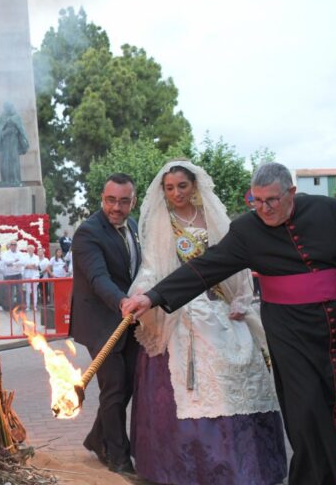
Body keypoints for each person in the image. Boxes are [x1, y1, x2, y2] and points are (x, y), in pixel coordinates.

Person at [123, 162, 336, 485]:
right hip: (289, 334)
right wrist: (153, 297)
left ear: (292, 193)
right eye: (256, 201)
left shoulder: (327, 210)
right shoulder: (247, 230)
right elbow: (205, 268)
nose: (264, 209)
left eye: (272, 200)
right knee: (307, 411)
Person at [129, 161, 287, 484]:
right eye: (170, 188)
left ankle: (247, 464)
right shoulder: (163, 224)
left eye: (182, 186)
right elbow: (152, 267)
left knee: (243, 375)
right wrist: (145, 295)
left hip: (222, 306)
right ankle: (193, 467)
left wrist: (242, 298)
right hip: (181, 308)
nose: (176, 194)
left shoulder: (213, 219)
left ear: (195, 186)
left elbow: (237, 262)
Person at [69, 172, 141, 474]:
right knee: (114, 389)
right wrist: (122, 301)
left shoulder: (134, 227)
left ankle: (98, 439)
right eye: (111, 200)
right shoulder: (87, 232)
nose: (116, 207)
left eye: (124, 201)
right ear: (102, 197)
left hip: (129, 322)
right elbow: (99, 278)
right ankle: (118, 457)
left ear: (132, 202)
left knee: (128, 387)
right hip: (99, 323)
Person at [1, 241, 23, 310]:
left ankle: (19, 307)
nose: (13, 246)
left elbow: (22, 262)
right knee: (9, 292)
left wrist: (12, 264)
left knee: (19, 291)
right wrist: (15, 260)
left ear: (16, 246)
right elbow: (5, 261)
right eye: (12, 244)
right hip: (8, 275)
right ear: (10, 246)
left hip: (18, 274)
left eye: (15, 244)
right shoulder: (5, 253)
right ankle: (9, 307)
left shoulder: (20, 253)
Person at [21, 245, 40, 311]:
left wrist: (29, 266)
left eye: (31, 249)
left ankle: (35, 306)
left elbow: (36, 265)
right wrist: (31, 266)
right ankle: (28, 306)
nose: (30, 250)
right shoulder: (24, 257)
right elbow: (24, 266)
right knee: (28, 291)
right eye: (29, 249)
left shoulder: (36, 257)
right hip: (27, 276)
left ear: (33, 250)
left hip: (34, 276)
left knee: (35, 291)